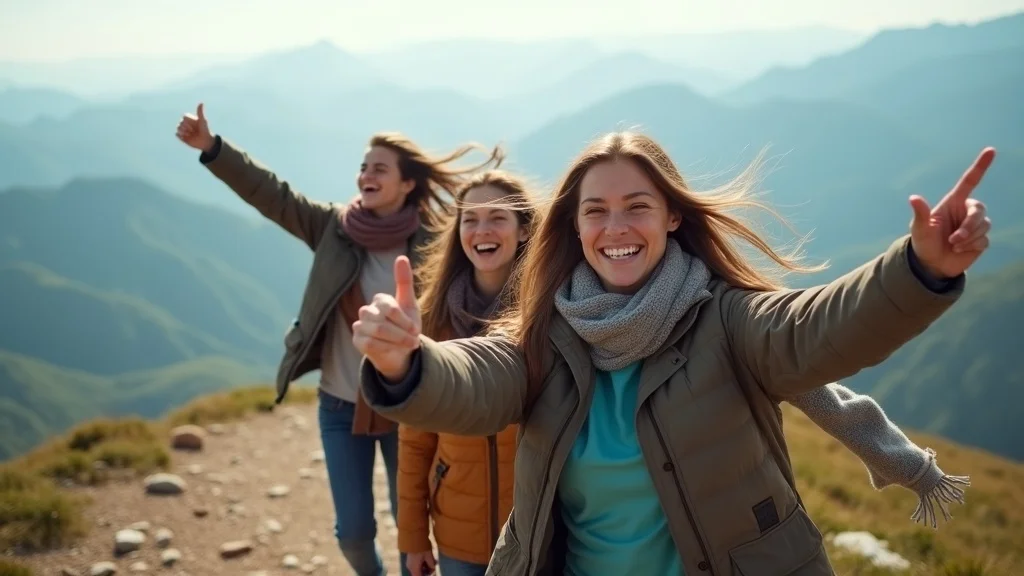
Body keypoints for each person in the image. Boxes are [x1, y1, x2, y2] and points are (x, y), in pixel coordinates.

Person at [350, 131, 994, 575]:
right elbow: (477, 378)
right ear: (575, 228)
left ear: (672, 218)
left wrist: (917, 269)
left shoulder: (727, 319)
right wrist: (410, 363)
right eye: (595, 211)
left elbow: (815, 326)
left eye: (638, 207)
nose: (616, 227)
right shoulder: (545, 336)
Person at [174, 103, 503, 576]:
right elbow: (274, 195)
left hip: (406, 402)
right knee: (351, 532)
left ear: (407, 183)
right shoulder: (333, 228)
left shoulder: (434, 242)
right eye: (363, 166)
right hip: (339, 403)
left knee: (409, 517)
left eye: (380, 169)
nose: (366, 175)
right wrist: (212, 148)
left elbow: (485, 258)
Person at [398, 170, 537, 576]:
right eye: (470, 219)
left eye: (497, 217)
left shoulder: (549, 313)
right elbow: (414, 440)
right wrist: (413, 538)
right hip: (458, 532)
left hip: (536, 528)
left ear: (524, 228)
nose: (482, 230)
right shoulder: (431, 317)